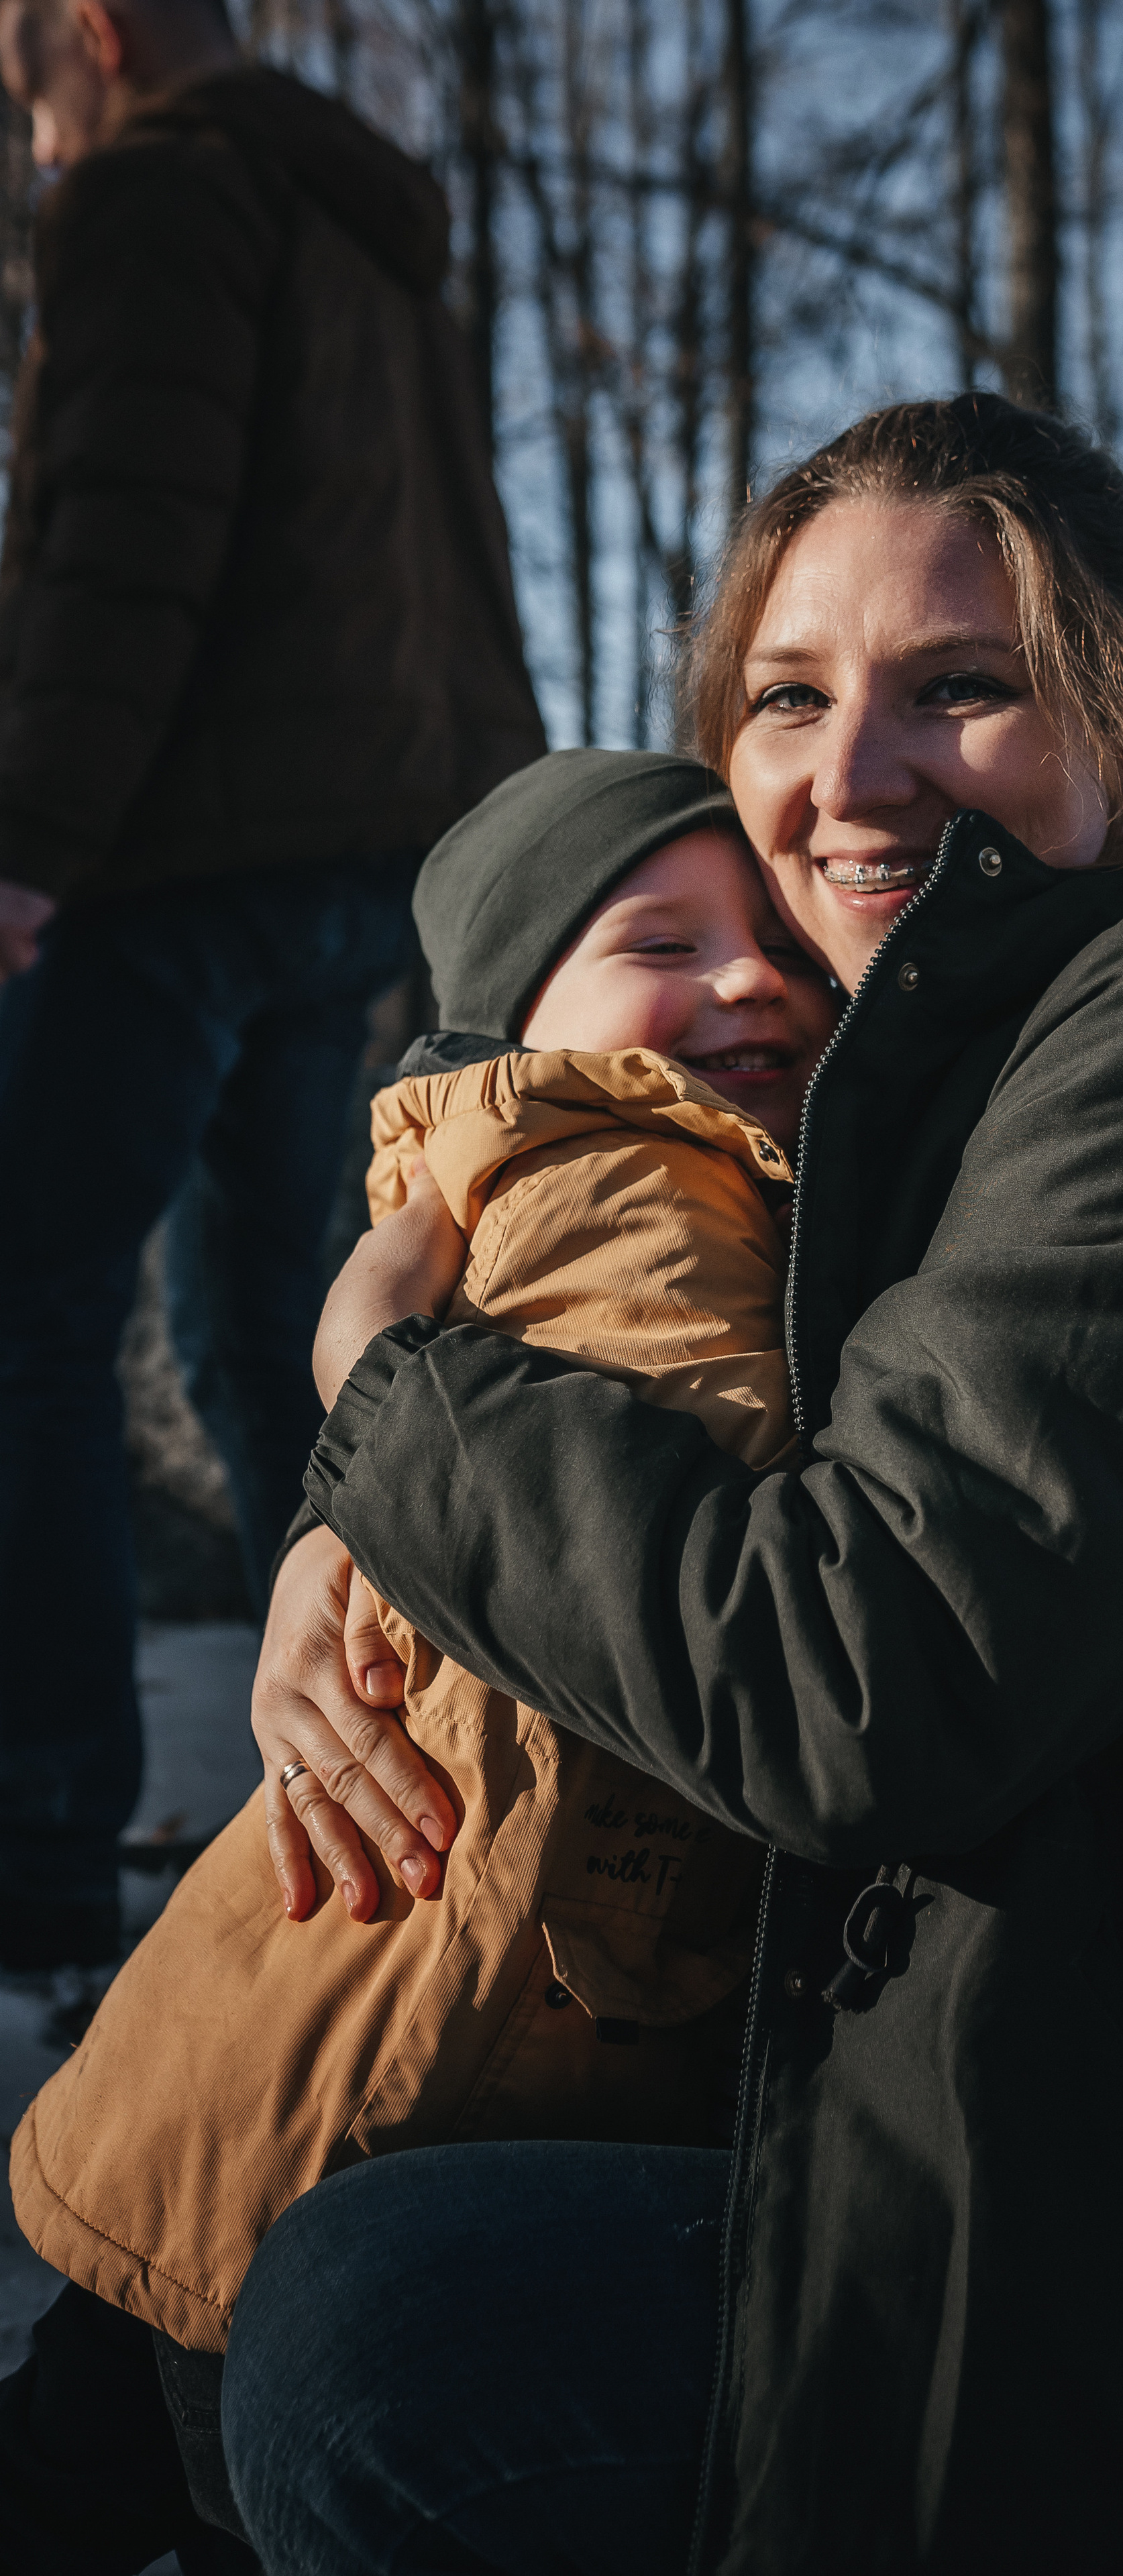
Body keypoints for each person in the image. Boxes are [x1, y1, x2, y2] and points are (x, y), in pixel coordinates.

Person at [229, 394, 1123, 2576]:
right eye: (789, 698)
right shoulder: (894, 1087)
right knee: (305, 2230)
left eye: (964, 688)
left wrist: (390, 1397)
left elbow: (857, 1679)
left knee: (386, 2340)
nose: (855, 774)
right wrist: (349, 1535)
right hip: (1095, 2074)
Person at [1, 751, 839, 2573]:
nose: (751, 979)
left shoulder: (514, 1186)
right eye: (664, 942)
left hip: (293, 2019)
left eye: (774, 937)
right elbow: (705, 1499)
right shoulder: (645, 1179)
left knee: (77, 2445)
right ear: (519, 1017)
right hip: (415, 2048)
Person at [0, 0, 545, 1977]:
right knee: (260, 1330)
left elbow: (124, 547)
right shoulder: (364, 226)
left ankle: (40, 1851)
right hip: (373, 847)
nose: (24, 105)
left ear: (95, 26)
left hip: (184, 837)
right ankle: (325, 1791)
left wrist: (31, 835)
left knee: (28, 1312)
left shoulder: (156, 189)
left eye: (21, 58)